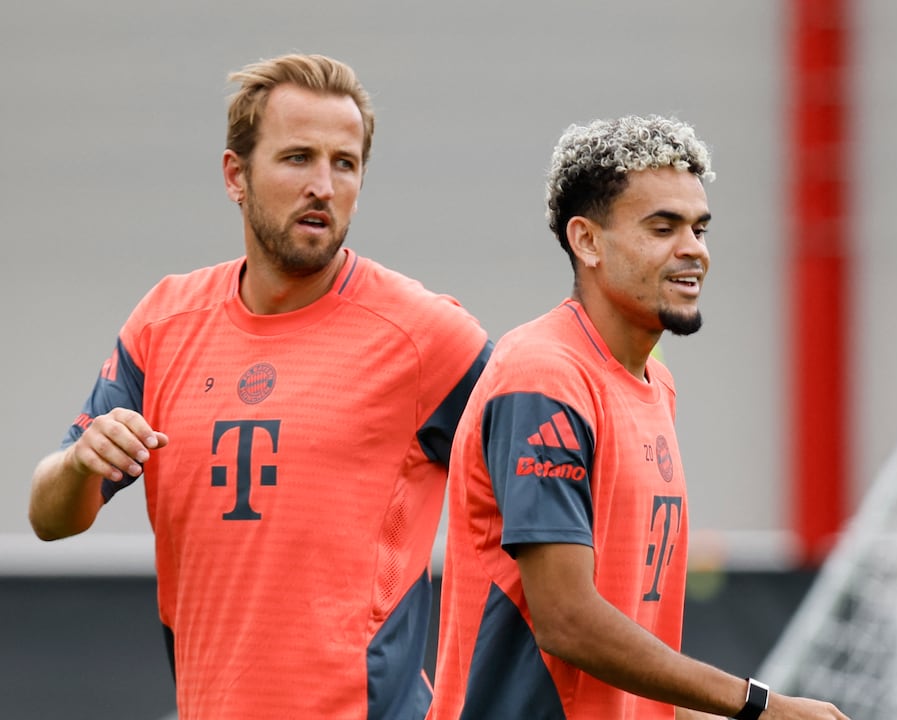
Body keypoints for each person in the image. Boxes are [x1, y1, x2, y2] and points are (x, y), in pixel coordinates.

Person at [27, 53, 491, 719]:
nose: (324, 186)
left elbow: (539, 500)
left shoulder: (428, 337)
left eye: (345, 163)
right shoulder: (164, 322)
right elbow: (49, 518)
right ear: (234, 176)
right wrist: (79, 461)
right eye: (298, 157)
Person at [430, 116, 847, 720]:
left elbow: (627, 685)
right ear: (588, 241)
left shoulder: (657, 385)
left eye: (699, 228)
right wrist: (761, 705)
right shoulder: (545, 376)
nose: (693, 249)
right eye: (663, 227)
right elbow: (567, 621)